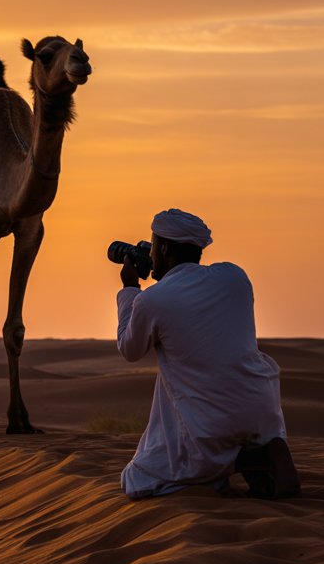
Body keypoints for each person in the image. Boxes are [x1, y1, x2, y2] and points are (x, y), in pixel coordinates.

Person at [115, 208, 300, 500]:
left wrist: (129, 290)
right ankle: (262, 450)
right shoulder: (235, 277)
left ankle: (240, 461)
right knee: (181, 373)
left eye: (154, 247)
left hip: (212, 423)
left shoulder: (152, 301)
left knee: (140, 480)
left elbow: (130, 349)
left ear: (162, 247)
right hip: (262, 413)